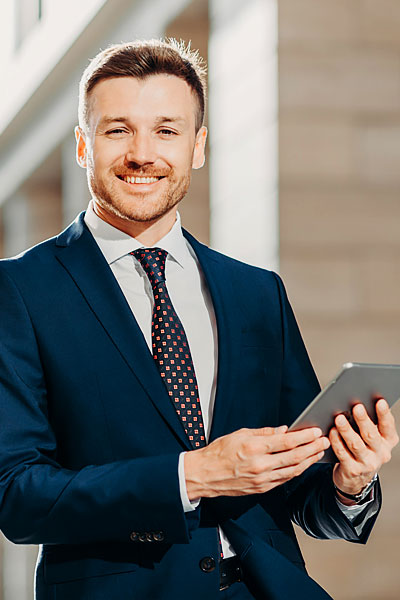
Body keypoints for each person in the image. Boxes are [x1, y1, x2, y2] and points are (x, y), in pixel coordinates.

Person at [0, 39, 397, 600]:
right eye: (118, 130)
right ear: (83, 146)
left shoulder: (257, 292)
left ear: (198, 145)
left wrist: (349, 482)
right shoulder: (18, 290)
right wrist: (193, 475)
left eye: (167, 130)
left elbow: (302, 494)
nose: (143, 153)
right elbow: (17, 495)